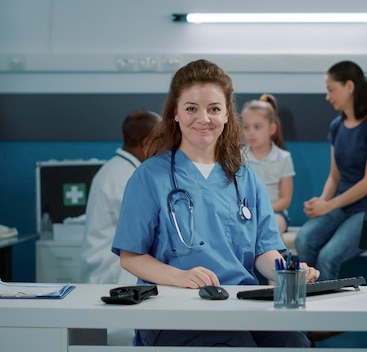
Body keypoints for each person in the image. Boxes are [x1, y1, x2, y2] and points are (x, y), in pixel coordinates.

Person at [111, 59, 319, 348]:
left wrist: (288, 272)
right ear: (175, 113)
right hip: (175, 309)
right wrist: (180, 276)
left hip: (241, 304)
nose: (203, 118)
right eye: (191, 108)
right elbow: (130, 256)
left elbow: (264, 250)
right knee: (237, 345)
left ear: (226, 116)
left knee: (293, 343)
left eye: (214, 109)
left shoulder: (245, 177)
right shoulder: (150, 176)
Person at [294, 60, 367, 281]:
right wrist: (321, 203)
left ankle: (326, 309)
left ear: (349, 86)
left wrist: (329, 205)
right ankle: (305, 296)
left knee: (328, 257)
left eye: (330, 89)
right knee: (304, 239)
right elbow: (334, 176)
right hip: (343, 206)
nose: (327, 97)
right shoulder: (336, 126)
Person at [80, 110, 161, 285]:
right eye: (162, 141)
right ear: (146, 143)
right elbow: (145, 233)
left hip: (110, 272)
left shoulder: (115, 168)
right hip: (115, 275)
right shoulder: (126, 177)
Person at [240, 94, 295, 236]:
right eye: (246, 127)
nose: (251, 132)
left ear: (272, 129)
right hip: (246, 212)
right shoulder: (239, 158)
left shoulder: (283, 158)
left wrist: (263, 209)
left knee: (271, 228)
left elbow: (285, 199)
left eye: (257, 127)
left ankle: (274, 258)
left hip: (275, 213)